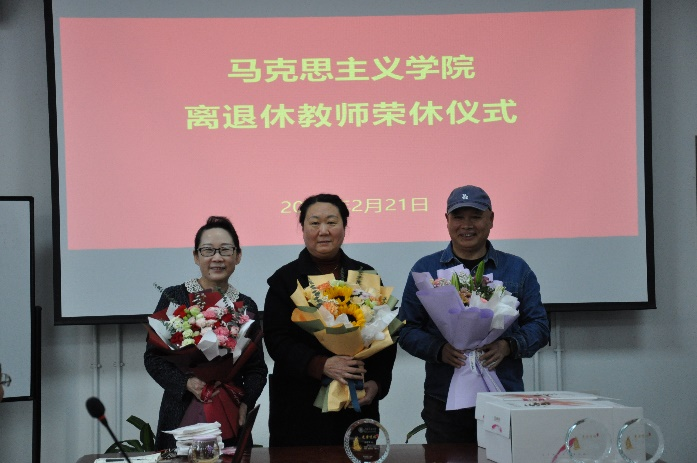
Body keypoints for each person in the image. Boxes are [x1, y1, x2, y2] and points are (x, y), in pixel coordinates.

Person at [398, 185, 550, 444]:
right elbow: (406, 329)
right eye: (458, 217)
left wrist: (508, 345)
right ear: (447, 220)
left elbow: (539, 325)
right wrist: (438, 350)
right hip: (444, 398)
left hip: (502, 394)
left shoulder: (516, 269)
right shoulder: (426, 269)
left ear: (491, 219)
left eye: (476, 217)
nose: (466, 225)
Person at [263, 193, 397, 447]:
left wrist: (376, 383)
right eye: (315, 223)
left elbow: (385, 334)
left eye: (332, 222)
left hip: (356, 401)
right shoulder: (285, 279)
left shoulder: (366, 275)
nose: (323, 231)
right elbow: (276, 340)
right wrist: (321, 364)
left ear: (344, 227)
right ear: (303, 228)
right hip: (299, 406)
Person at [144, 216, 268, 450]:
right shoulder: (175, 297)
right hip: (180, 412)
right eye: (208, 250)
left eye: (225, 250)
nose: (217, 258)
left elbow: (256, 369)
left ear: (238, 256)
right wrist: (187, 383)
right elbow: (153, 358)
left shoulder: (246, 305)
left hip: (231, 413)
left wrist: (245, 403)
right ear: (196, 256)